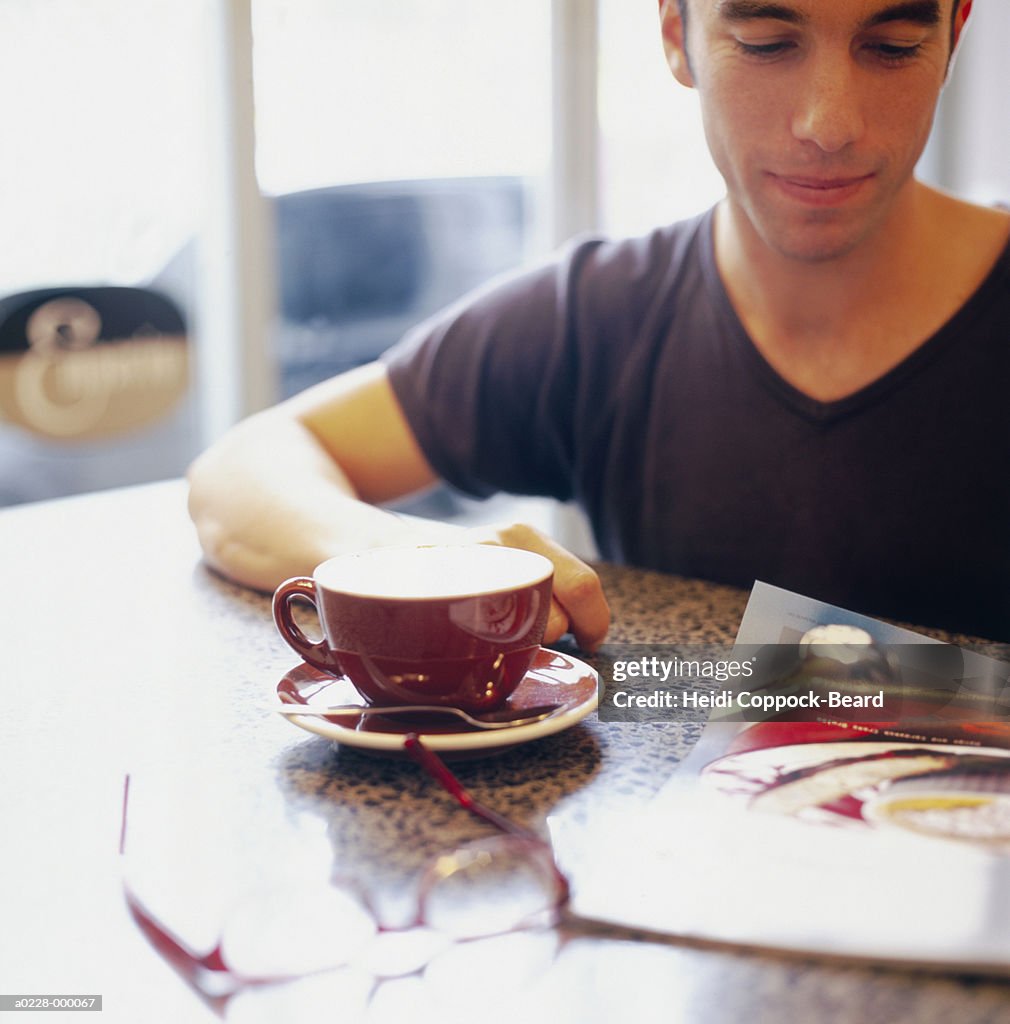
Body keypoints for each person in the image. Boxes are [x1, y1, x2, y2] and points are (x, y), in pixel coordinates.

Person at [188, 0, 1010, 646]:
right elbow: (240, 476)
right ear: (676, 36)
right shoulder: (601, 318)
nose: (830, 122)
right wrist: (425, 563)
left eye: (894, 45)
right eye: (764, 41)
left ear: (955, 33)